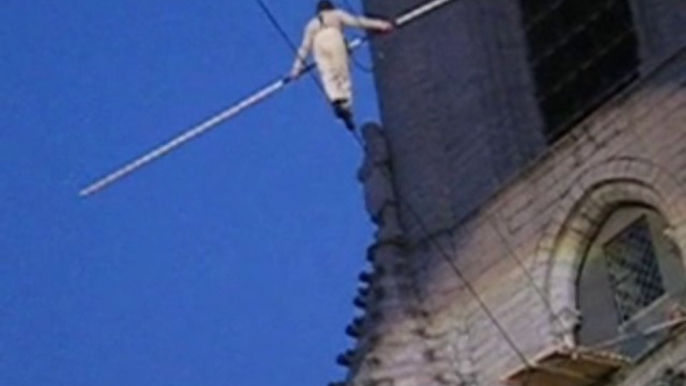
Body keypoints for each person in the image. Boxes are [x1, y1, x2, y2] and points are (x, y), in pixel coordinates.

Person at [289, 1, 394, 130]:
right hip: (334, 38)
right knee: (342, 73)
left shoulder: (312, 24)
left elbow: (304, 48)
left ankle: (335, 99)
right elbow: (357, 22)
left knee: (327, 75)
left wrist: (296, 69)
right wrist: (382, 25)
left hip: (318, 44)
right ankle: (346, 105)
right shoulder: (336, 15)